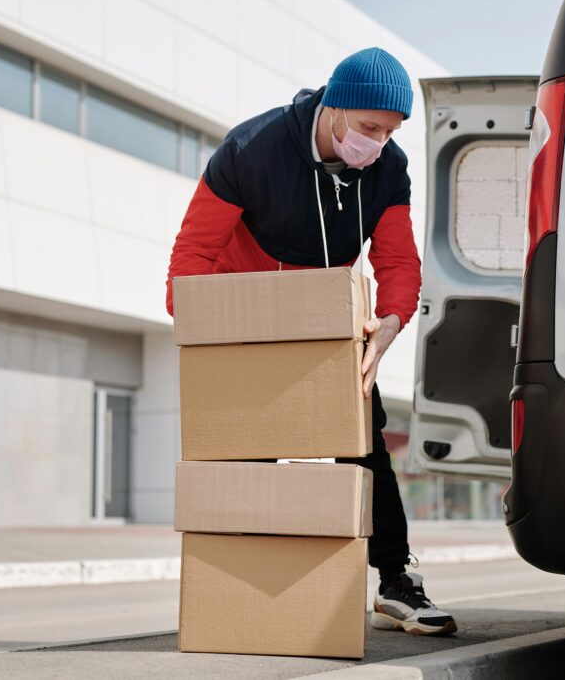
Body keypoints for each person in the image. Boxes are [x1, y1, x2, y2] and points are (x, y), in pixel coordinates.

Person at [166, 47, 456, 636]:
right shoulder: (252, 150)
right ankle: (241, 590)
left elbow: (399, 259)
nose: (377, 143)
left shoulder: (386, 168)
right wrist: (203, 337)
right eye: (369, 128)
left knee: (365, 448)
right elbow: (192, 255)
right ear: (333, 109)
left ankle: (397, 581)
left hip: (327, 324)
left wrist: (392, 321)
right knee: (250, 459)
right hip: (246, 322)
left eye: (389, 132)